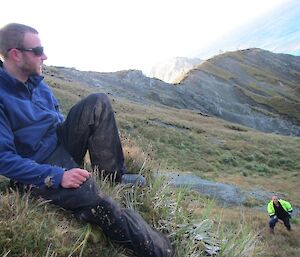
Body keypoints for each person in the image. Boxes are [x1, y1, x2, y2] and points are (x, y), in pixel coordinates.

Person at [0, 23, 173, 257]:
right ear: (15, 54)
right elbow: (3, 160)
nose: (45, 56)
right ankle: (163, 252)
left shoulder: (36, 83)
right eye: (38, 51)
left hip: (59, 144)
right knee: (97, 199)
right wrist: (58, 176)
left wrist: (73, 138)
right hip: (38, 168)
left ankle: (114, 176)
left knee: (97, 102)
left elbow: (56, 118)